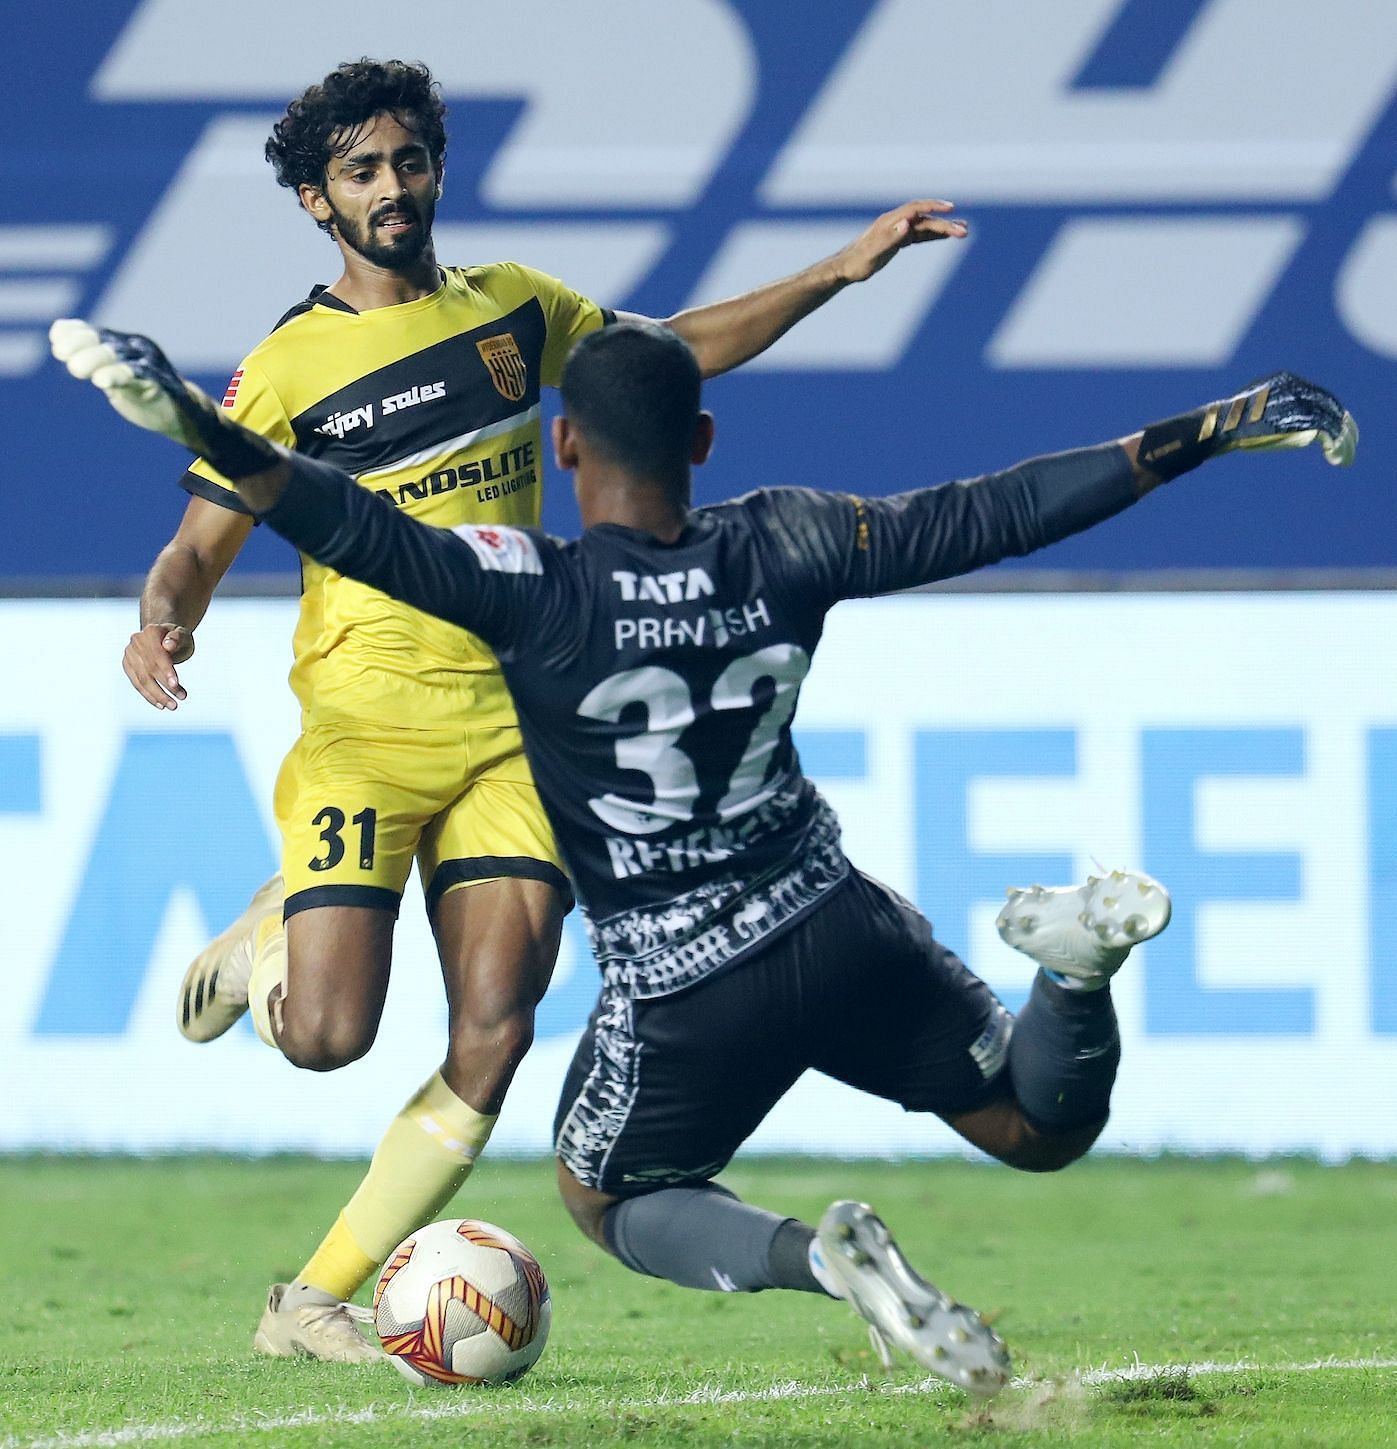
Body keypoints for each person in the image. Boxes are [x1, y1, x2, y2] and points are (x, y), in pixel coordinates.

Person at [53, 316, 1356, 1396]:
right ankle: (1071, 974)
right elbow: (994, 511)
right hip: (840, 921)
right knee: (1030, 1121)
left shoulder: (527, 585)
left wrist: (199, 426)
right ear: (704, 443)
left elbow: (341, 519)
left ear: (562, 446)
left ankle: (819, 1261)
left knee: (599, 1188)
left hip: (685, 981)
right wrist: (1201, 430)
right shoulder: (787, 537)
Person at [118, 59, 970, 1360]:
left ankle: (312, 1298)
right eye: (361, 172)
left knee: (497, 1023)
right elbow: (201, 536)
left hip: (514, 718)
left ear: (436, 169)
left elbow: (667, 357)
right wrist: (165, 611)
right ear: (314, 202)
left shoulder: (516, 310)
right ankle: (272, 927)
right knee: (328, 1039)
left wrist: (837, 273)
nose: (392, 189)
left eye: (408, 162)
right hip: (367, 724)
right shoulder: (289, 366)